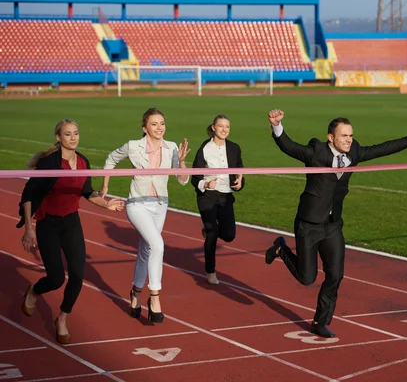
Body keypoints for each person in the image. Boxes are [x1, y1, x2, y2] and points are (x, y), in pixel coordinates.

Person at [264, 109, 407, 338]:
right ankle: (281, 249)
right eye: (344, 136)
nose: (349, 140)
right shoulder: (316, 151)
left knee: (335, 275)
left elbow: (382, 149)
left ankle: (320, 321)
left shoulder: (354, 152)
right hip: (309, 224)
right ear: (331, 137)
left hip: (333, 225)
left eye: (351, 135)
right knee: (307, 278)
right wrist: (277, 126)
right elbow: (289, 147)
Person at [18, 119, 125, 344]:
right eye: (68, 134)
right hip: (48, 223)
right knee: (56, 279)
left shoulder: (83, 161)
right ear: (59, 137)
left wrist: (107, 204)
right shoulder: (48, 163)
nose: (73, 138)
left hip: (71, 223)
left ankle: (62, 319)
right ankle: (34, 291)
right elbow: (28, 195)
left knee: (77, 274)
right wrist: (29, 229)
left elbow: (87, 192)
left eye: (76, 133)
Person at [100, 108, 190, 323]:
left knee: (147, 249)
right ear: (145, 128)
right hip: (137, 204)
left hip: (160, 205)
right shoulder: (133, 146)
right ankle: (155, 297)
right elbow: (111, 159)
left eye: (162, 123)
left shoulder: (172, 148)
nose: (159, 128)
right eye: (154, 124)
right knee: (157, 245)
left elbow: (183, 180)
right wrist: (105, 185)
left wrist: (182, 161)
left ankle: (136, 291)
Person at [191, 115, 245, 285]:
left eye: (227, 127)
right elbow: (194, 177)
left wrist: (240, 182)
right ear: (213, 128)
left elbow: (240, 170)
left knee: (229, 235)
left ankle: (208, 228)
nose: (224, 130)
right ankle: (210, 271)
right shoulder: (205, 148)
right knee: (213, 233)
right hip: (207, 195)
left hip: (226, 196)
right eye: (220, 126)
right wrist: (206, 183)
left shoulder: (234, 148)